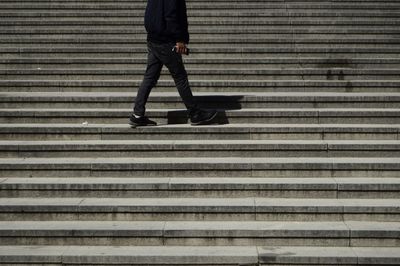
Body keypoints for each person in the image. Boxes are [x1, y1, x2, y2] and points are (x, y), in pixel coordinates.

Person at [129, 0, 218, 127]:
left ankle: (137, 114)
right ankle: (194, 113)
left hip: (154, 39)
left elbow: (149, 14)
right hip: (166, 41)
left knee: (150, 77)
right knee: (180, 76)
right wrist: (179, 39)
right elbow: (171, 15)